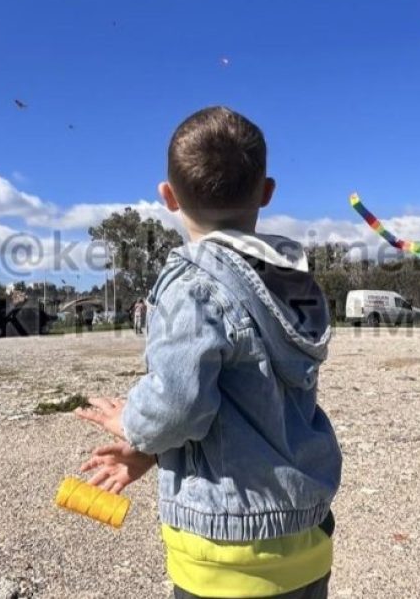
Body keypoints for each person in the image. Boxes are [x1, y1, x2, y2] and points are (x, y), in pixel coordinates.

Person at [76, 106, 341, 599]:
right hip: (305, 539)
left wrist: (133, 423)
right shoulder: (293, 282)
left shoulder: (192, 285)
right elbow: (239, 407)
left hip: (226, 554)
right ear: (266, 192)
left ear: (168, 197)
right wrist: (146, 455)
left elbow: (178, 405)